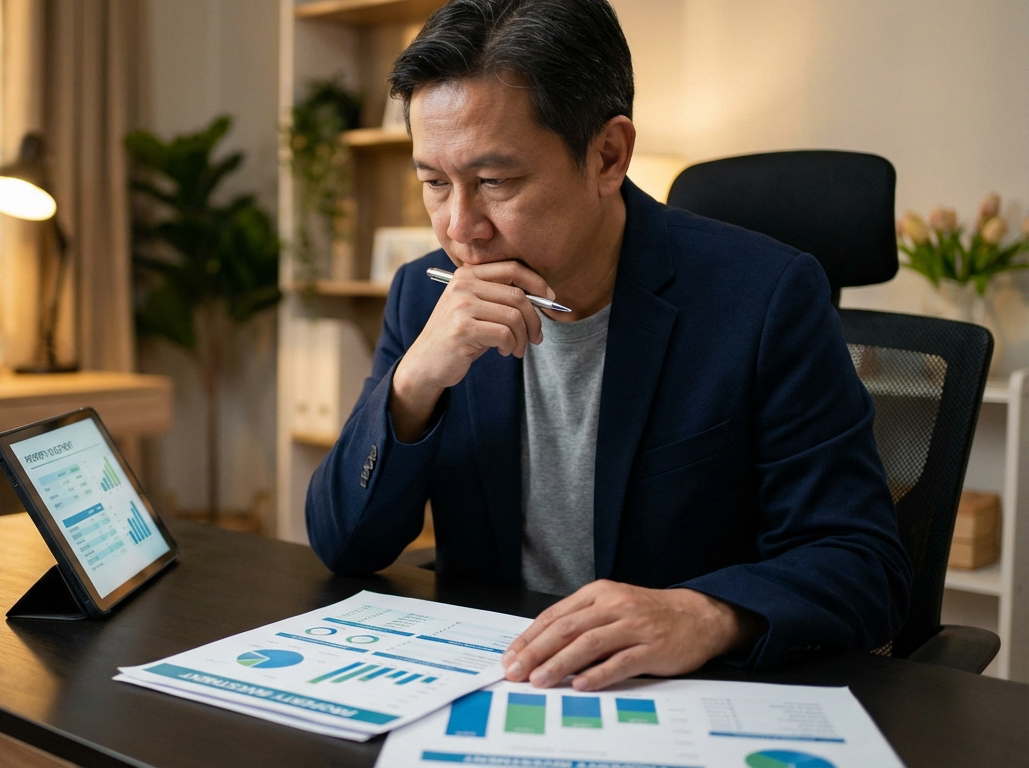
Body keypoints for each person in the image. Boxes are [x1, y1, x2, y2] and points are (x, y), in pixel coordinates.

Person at [305, 0, 910, 693]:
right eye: (434, 184)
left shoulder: (767, 297)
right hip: (495, 686)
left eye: (495, 182)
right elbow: (342, 544)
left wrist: (703, 615)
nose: (460, 228)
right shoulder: (425, 296)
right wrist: (412, 388)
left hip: (678, 698)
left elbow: (863, 563)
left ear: (607, 155)